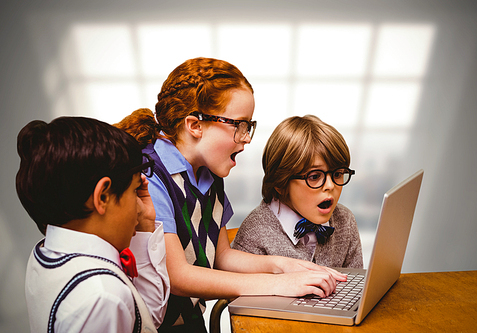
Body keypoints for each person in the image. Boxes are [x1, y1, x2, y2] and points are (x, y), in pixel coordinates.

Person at [115, 57, 346, 332]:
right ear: (195, 125)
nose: (247, 138)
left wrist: (286, 267)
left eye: (249, 126)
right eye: (239, 125)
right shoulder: (152, 176)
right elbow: (177, 276)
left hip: (189, 322)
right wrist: (277, 284)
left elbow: (222, 257)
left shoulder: (210, 174)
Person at [17, 116, 170, 333]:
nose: (139, 206)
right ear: (103, 196)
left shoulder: (48, 252)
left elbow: (144, 318)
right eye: (135, 190)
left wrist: (145, 224)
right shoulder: (102, 296)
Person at [232, 115, 363, 269]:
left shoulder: (345, 221)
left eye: (337, 174)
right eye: (314, 176)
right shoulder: (253, 235)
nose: (330, 185)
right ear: (280, 183)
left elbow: (358, 285)